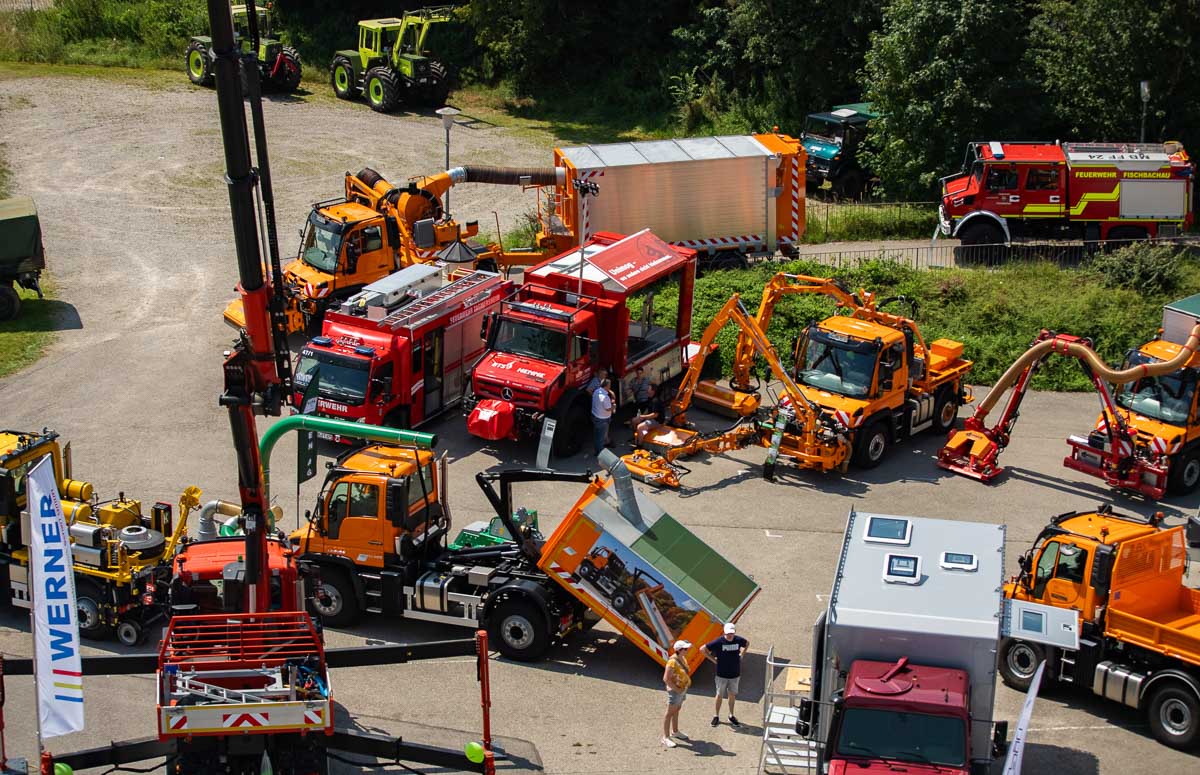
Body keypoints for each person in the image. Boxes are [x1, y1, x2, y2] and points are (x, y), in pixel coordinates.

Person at [701, 622, 749, 727]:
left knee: (732, 695)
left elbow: (747, 643)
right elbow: (702, 649)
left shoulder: (738, 640)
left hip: (735, 674)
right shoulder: (718, 642)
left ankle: (731, 715)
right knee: (719, 695)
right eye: (727, 633)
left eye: (731, 633)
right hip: (721, 675)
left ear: (734, 632)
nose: (730, 635)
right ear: (724, 632)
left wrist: (742, 655)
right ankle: (716, 716)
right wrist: (714, 660)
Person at [662, 639, 692, 748]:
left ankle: (675, 731)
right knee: (669, 713)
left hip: (681, 689)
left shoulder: (682, 658)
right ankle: (665, 737)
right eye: (685, 649)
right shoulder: (672, 662)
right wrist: (676, 689)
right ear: (679, 650)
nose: (687, 650)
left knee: (677, 710)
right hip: (675, 691)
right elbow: (666, 678)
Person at [591, 378, 613, 455]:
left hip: (595, 416)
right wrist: (614, 406)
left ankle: (597, 450)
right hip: (602, 419)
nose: (610, 387)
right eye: (609, 385)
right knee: (601, 437)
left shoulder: (596, 391)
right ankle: (600, 453)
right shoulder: (605, 397)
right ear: (606, 386)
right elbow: (608, 408)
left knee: (597, 435)